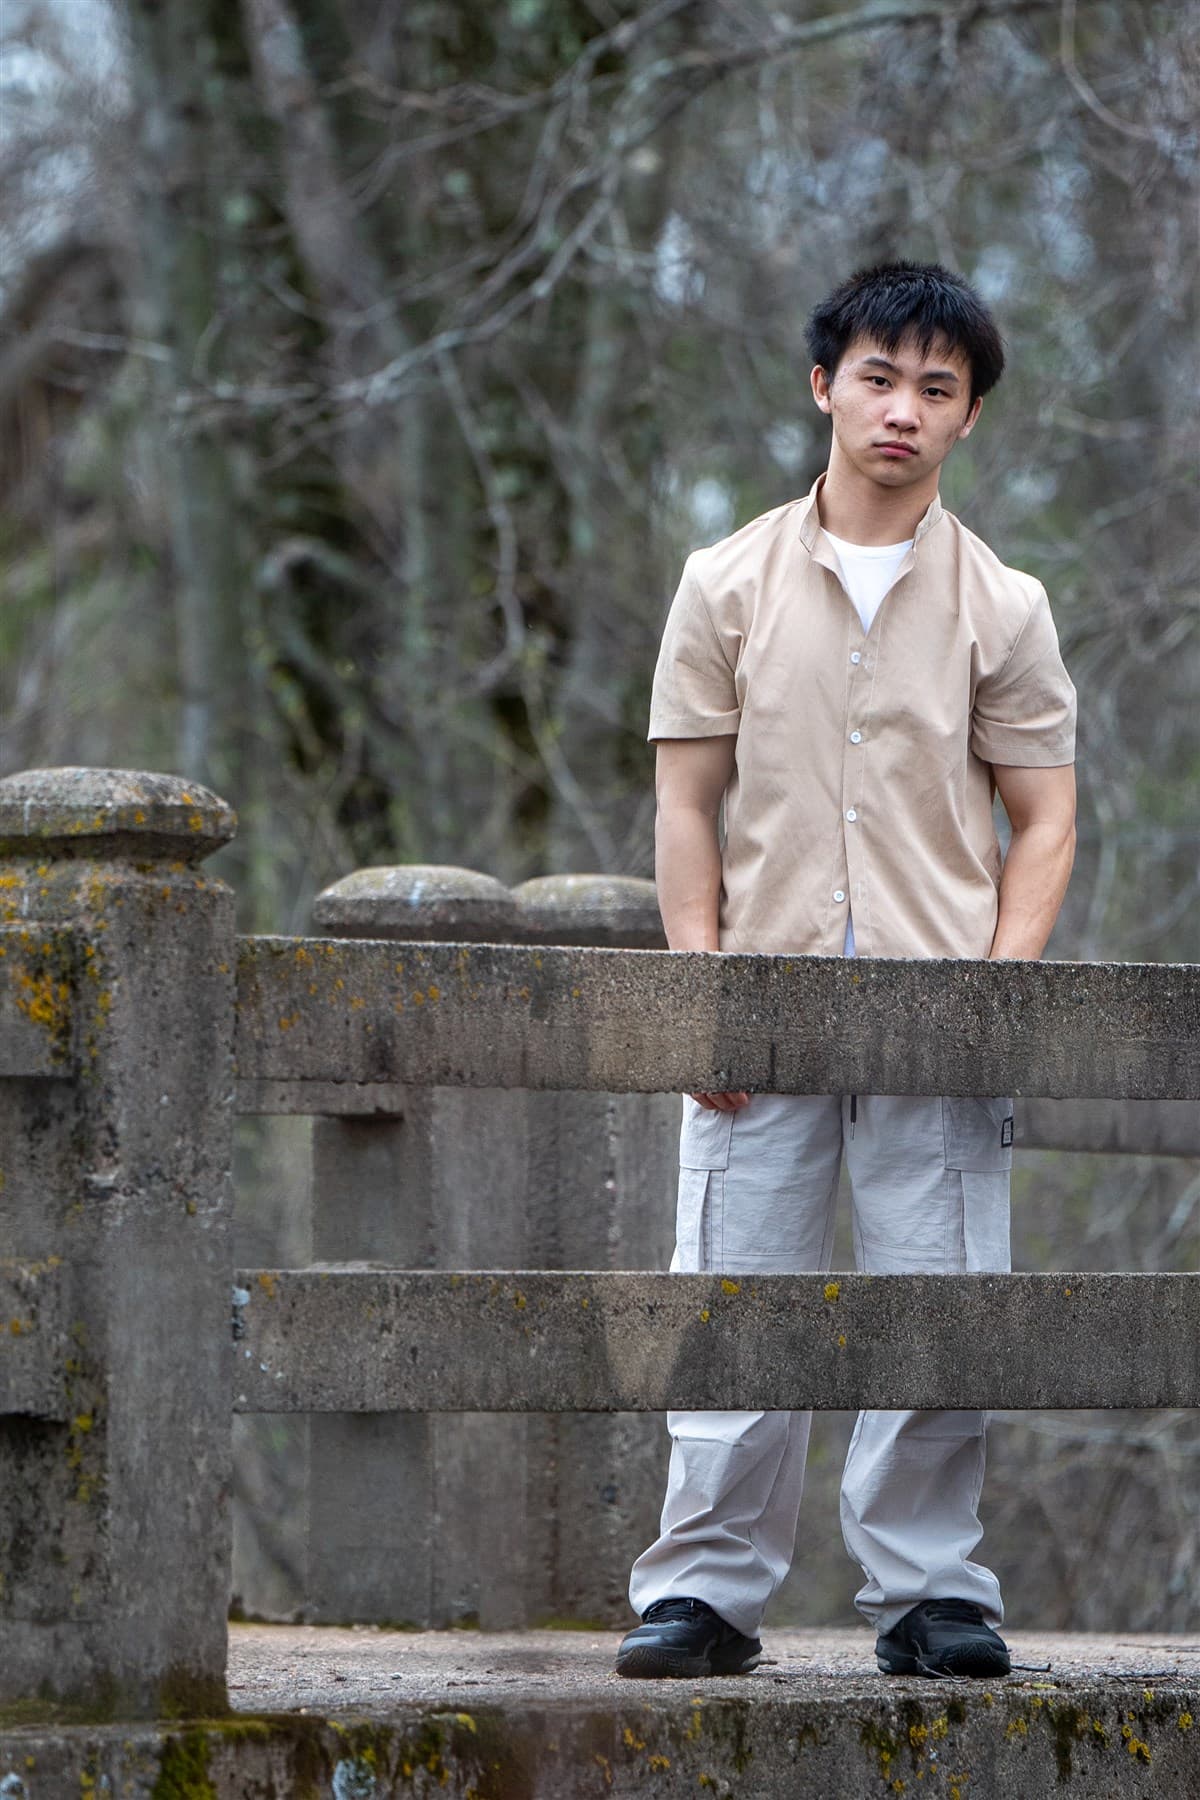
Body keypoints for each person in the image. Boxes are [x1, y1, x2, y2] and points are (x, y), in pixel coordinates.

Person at [615, 260, 1077, 1682]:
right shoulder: (727, 582)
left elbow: (1045, 818)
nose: (903, 409)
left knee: (939, 1307)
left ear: (968, 420)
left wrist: (996, 996)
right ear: (826, 385)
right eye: (879, 376)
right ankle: (702, 1592)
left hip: (937, 1011)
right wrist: (698, 986)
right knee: (731, 1302)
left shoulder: (1005, 603)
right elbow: (686, 802)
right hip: (758, 1002)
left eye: (938, 389)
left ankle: (931, 1594)